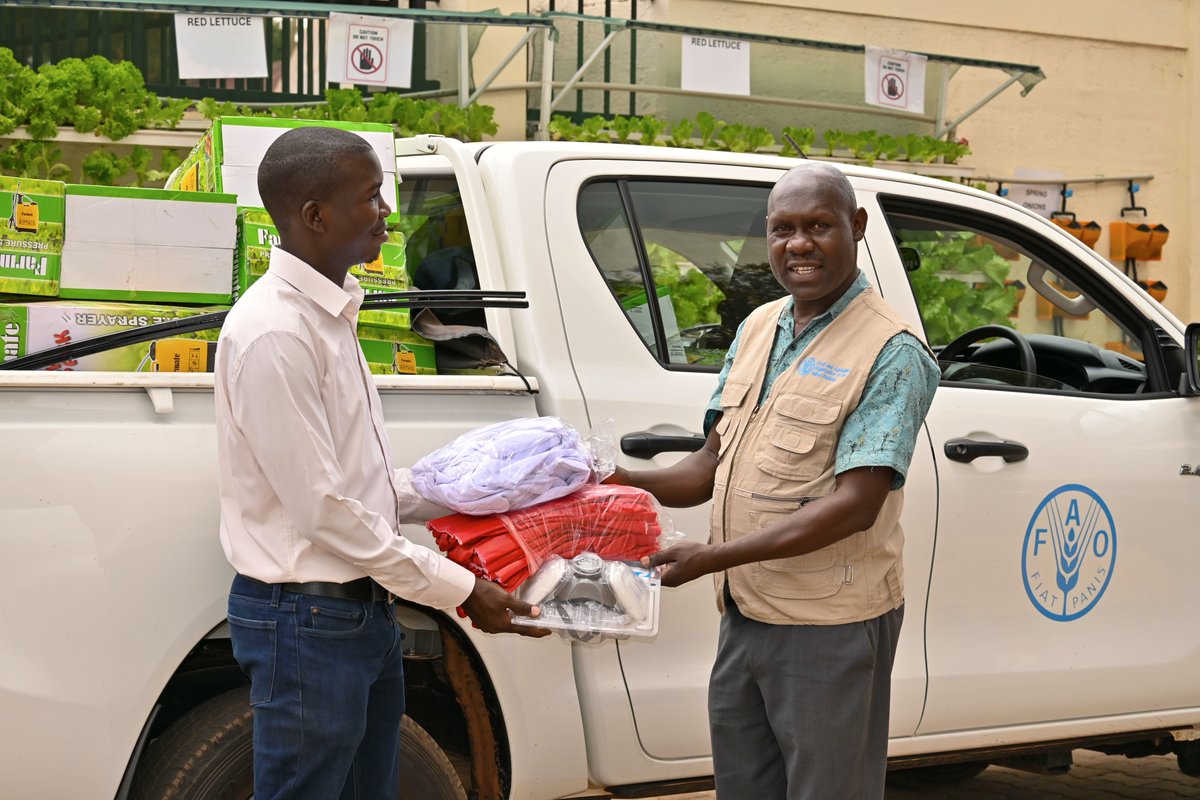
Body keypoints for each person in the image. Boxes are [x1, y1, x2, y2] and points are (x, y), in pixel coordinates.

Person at [214, 125, 546, 800]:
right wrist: (459, 587)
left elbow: (357, 486)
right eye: (372, 197)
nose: (387, 213)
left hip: (355, 612)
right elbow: (323, 512)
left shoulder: (331, 317)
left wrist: (473, 487)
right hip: (308, 620)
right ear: (315, 216)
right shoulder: (277, 333)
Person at [610, 162, 939, 799]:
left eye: (818, 225)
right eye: (782, 229)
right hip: (747, 613)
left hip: (829, 624)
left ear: (857, 227)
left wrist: (710, 557)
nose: (798, 244)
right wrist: (617, 480)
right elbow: (709, 463)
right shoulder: (761, 326)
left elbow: (855, 507)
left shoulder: (892, 350)